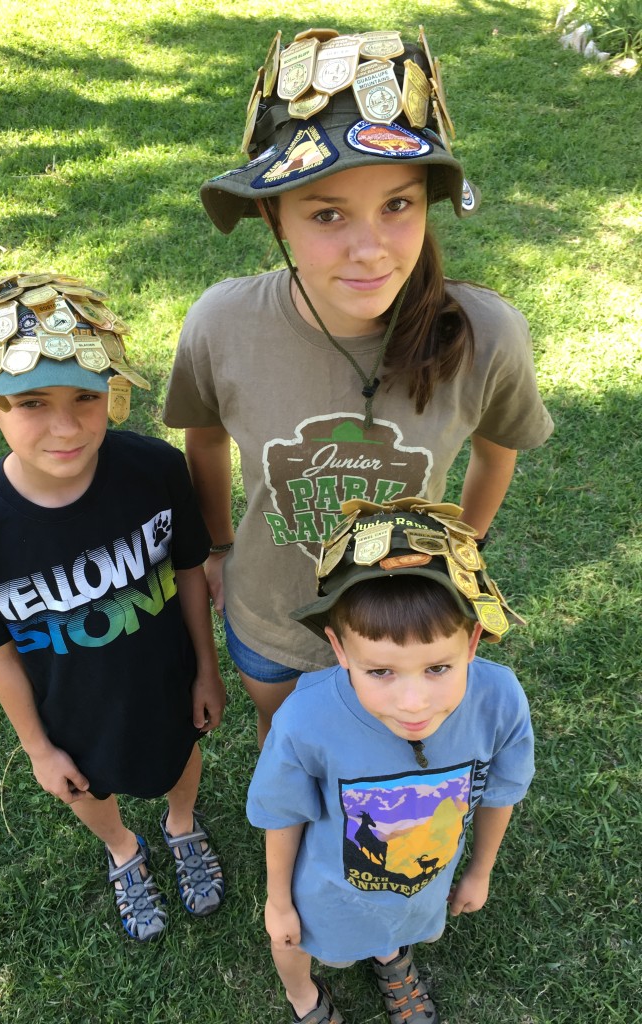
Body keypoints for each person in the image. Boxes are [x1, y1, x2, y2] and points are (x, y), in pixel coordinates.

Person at [163, 25, 553, 745]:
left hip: (403, 633)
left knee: (387, 755)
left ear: (429, 203)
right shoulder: (222, 323)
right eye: (327, 213)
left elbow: (499, 452)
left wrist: (462, 553)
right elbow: (205, 438)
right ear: (270, 212)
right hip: (271, 617)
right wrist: (218, 547)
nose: (369, 248)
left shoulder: (487, 335)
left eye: (397, 205)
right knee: (287, 741)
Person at [0, 272, 227, 942]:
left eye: (86, 398)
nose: (65, 427)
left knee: (181, 756)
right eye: (30, 402)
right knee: (86, 788)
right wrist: (36, 748)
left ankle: (182, 825)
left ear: (111, 392)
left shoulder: (155, 471)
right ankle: (123, 850)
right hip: (71, 710)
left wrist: (207, 670)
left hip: (166, 680)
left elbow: (188, 572)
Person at [247, 496, 534, 1023]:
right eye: (380, 672)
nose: (413, 703)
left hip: (421, 885)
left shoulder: (500, 701)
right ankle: (304, 998)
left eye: (438, 667)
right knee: (296, 944)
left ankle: (389, 953)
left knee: (393, 928)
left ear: (472, 640)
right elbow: (283, 813)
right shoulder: (303, 720)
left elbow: (501, 791)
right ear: (338, 648)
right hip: (328, 893)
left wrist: (480, 869)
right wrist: (279, 902)